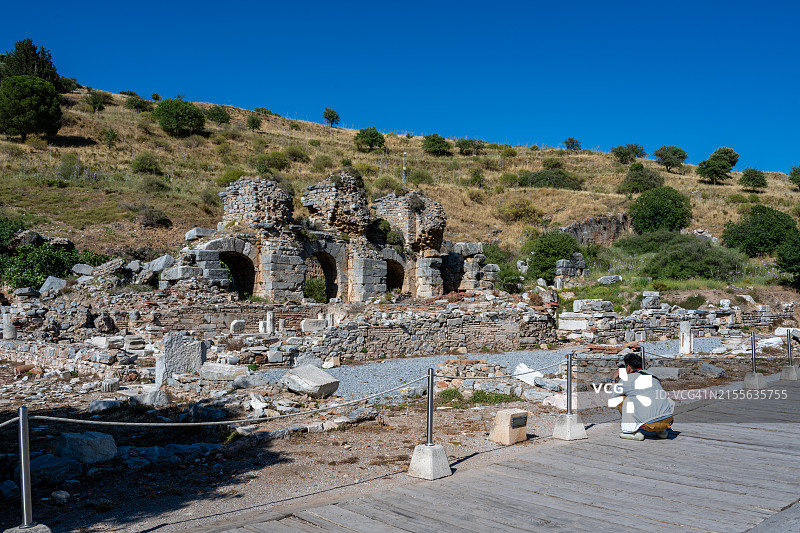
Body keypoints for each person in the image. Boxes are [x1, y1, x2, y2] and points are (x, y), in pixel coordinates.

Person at [611, 352, 674, 441]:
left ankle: (633, 432)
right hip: (667, 421)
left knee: (623, 399)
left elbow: (613, 397)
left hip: (648, 425)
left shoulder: (626, 380)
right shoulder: (652, 375)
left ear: (628, 367)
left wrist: (614, 379)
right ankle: (662, 431)